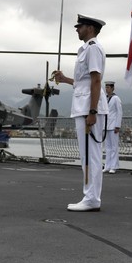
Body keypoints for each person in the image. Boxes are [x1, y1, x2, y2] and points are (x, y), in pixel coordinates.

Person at [52, 14, 109, 212]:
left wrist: (92, 111)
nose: (77, 29)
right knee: (86, 155)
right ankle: (89, 195)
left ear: (90, 28)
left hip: (88, 108)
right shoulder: (84, 49)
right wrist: (65, 78)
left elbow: (95, 81)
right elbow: (83, 82)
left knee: (91, 154)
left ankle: (92, 198)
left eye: (80, 26)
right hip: (82, 106)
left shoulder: (93, 48)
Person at [103, 81, 123, 173]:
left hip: (113, 125)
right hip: (106, 125)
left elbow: (119, 112)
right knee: (107, 147)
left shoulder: (116, 98)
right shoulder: (105, 98)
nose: (106, 89)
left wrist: (117, 125)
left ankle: (114, 166)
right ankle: (107, 165)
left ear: (112, 88)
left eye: (108, 87)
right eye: (106, 87)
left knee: (114, 147)